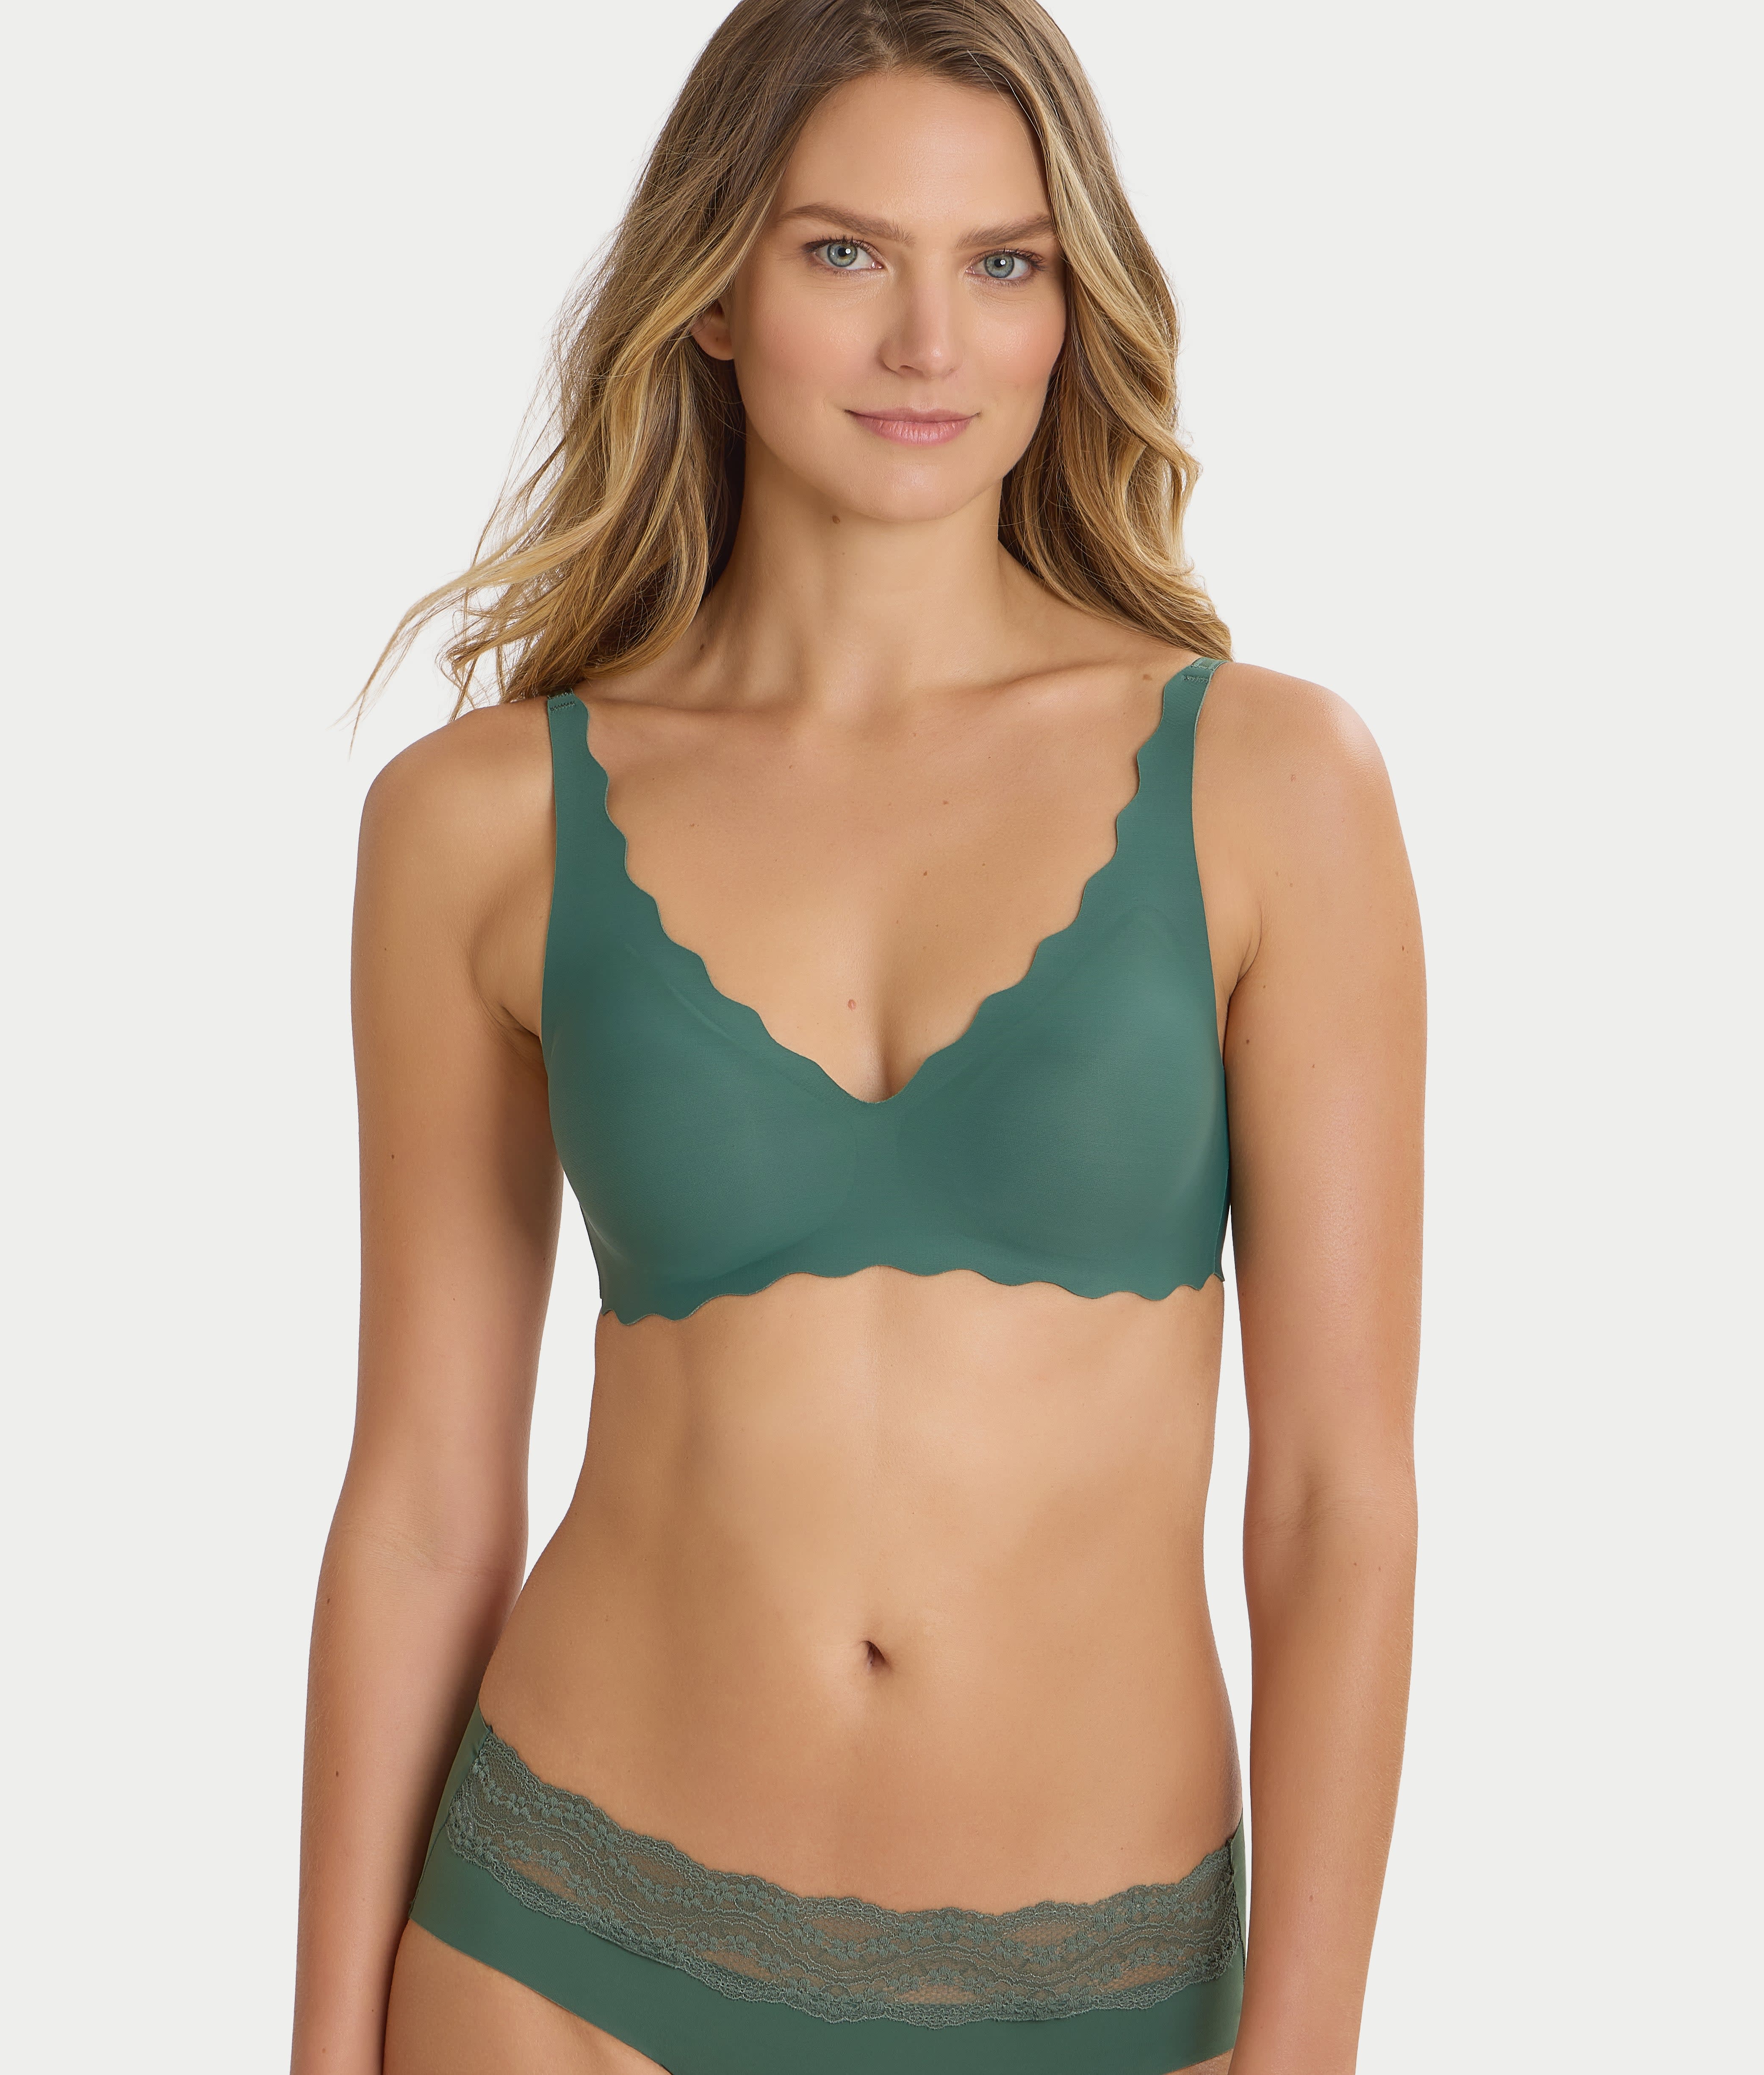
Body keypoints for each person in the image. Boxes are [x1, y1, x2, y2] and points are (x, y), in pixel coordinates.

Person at [292, 3, 1424, 2070]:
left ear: (1071, 306)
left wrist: (1311, 2045)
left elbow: (1335, 1493)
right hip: (562, 1952)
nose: (929, 342)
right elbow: (426, 1494)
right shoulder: (478, 823)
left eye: (1002, 263)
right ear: (711, 294)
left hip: (1099, 1992)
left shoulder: (1271, 786)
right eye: (844, 252)